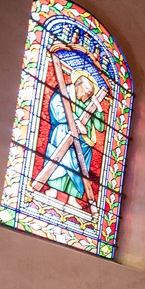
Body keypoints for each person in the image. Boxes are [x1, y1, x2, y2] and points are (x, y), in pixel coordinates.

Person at [42, 69, 105, 208]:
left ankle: (72, 198)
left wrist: (99, 107)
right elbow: (56, 110)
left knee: (79, 170)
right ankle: (53, 189)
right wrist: (76, 121)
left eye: (91, 92)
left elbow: (100, 127)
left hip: (84, 143)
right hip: (63, 134)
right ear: (78, 85)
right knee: (60, 161)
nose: (89, 93)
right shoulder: (64, 93)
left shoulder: (89, 103)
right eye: (87, 90)